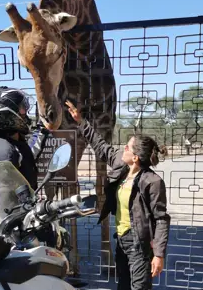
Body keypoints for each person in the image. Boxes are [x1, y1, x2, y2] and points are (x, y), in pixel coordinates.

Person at [66, 100, 171, 290]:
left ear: (136, 157)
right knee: (123, 285)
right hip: (122, 240)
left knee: (139, 287)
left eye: (128, 147)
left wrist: (159, 254)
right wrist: (80, 121)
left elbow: (161, 219)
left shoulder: (152, 182)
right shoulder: (121, 165)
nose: (124, 148)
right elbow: (100, 146)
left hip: (139, 243)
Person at [0, 86, 49, 190]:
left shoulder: (11, 142)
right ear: (8, 115)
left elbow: (27, 153)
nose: (26, 114)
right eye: (23, 109)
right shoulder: (5, 154)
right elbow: (7, 198)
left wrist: (42, 128)